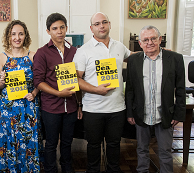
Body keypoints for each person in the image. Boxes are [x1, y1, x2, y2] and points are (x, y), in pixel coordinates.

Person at [73, 12, 133, 173]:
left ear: (109, 24)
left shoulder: (119, 46)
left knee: (114, 146)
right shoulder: (83, 51)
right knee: (93, 146)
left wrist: (154, 51)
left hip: (117, 108)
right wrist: (95, 90)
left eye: (104, 22)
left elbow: (133, 57)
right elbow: (76, 79)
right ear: (91, 28)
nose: (101, 26)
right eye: (97, 24)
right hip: (93, 109)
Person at [125, 25, 186, 173]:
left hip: (165, 113)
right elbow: (130, 90)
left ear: (160, 40)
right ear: (140, 43)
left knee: (165, 152)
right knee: (141, 149)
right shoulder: (133, 60)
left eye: (153, 38)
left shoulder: (175, 59)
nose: (149, 42)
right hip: (141, 113)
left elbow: (181, 89)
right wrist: (130, 113)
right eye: (145, 40)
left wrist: (178, 114)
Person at [33, 13, 82, 173]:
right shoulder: (42, 53)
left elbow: (79, 80)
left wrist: (79, 105)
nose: (59, 31)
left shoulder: (75, 51)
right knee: (51, 143)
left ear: (66, 28)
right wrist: (58, 93)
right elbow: (38, 82)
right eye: (55, 28)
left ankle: (67, 168)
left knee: (68, 142)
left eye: (62, 27)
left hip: (71, 107)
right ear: (48, 31)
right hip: (51, 107)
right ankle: (50, 169)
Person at [0, 20, 43, 172]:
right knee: (11, 143)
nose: (17, 37)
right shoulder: (1, 58)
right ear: (8, 37)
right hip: (8, 110)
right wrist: (1, 80)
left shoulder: (33, 56)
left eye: (20, 34)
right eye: (13, 34)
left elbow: (39, 82)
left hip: (28, 107)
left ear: (25, 36)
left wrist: (34, 93)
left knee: (29, 143)